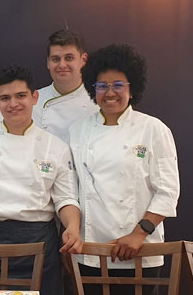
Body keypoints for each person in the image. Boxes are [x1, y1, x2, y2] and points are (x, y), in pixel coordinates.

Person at [0, 66, 82, 295]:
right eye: (5, 98)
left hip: (40, 245)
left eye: (21, 96)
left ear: (34, 97)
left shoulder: (55, 147)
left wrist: (72, 227)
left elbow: (66, 198)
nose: (13, 104)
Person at [69, 44, 179, 295]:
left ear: (132, 89)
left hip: (141, 249)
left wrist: (139, 234)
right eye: (102, 86)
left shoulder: (153, 129)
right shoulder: (78, 131)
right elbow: (72, 189)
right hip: (92, 250)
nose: (110, 92)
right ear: (92, 89)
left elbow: (168, 192)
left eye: (118, 85)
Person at [32, 29, 98, 144]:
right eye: (56, 59)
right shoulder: (32, 100)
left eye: (69, 58)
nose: (62, 65)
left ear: (84, 60)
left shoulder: (98, 102)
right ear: (48, 63)